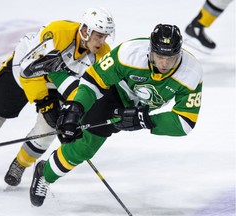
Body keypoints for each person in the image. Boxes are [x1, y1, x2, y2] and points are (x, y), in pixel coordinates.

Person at [29, 24, 203, 207]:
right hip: (114, 91)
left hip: (139, 107)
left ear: (180, 53)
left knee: (82, 134)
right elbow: (95, 79)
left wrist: (146, 121)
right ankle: (45, 173)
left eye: (171, 58)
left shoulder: (191, 73)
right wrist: (76, 108)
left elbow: (185, 122)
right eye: (159, 56)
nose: (164, 64)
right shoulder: (129, 53)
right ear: (150, 50)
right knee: (86, 145)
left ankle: (60, 75)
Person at [0, 7, 115, 185]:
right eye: (98, 35)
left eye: (105, 36)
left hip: (56, 84)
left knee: (50, 127)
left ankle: (20, 165)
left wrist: (75, 116)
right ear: (84, 31)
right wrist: (43, 101)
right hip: (20, 72)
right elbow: (29, 69)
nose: (102, 41)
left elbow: (87, 89)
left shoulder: (103, 54)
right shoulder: (58, 32)